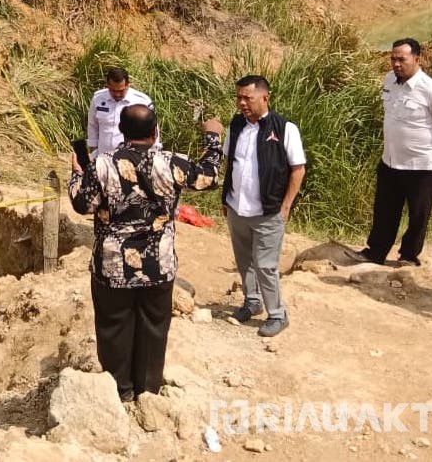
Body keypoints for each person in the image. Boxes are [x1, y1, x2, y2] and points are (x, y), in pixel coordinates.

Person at [69, 104, 223, 401]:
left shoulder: (101, 164)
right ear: (155, 132)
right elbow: (209, 176)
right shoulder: (171, 163)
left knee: (114, 326)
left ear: (122, 132)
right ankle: (148, 390)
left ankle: (120, 391)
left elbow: (81, 204)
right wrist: (213, 138)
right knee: (154, 327)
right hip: (158, 264)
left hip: (112, 267)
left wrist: (77, 174)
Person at [359, 39, 432, 267]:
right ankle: (376, 252)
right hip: (391, 160)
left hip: (422, 164)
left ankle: (408, 256)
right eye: (393, 58)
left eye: (401, 59)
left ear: (417, 59)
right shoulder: (389, 81)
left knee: (418, 214)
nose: (396, 64)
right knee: (384, 209)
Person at [222, 75, 306, 338]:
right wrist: (226, 197)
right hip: (237, 208)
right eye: (239, 98)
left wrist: (286, 206)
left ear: (265, 98)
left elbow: (298, 169)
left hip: (269, 211)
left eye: (248, 98)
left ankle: (278, 314)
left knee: (266, 265)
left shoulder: (284, 128)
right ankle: (252, 301)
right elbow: (230, 163)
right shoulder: (236, 126)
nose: (242, 103)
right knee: (244, 260)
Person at [86, 67, 154, 158]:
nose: (117, 94)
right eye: (113, 90)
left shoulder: (142, 101)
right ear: (108, 85)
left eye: (121, 90)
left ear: (128, 85)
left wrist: (154, 150)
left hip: (132, 158)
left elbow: (153, 128)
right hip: (103, 156)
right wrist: (93, 150)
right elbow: (92, 125)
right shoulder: (98, 98)